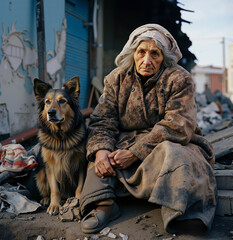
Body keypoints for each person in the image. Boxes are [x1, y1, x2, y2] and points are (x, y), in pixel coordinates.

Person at [80, 23, 217, 234]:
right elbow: (102, 120)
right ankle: (104, 205)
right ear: (133, 53)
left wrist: (135, 153)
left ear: (164, 57)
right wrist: (101, 151)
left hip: (167, 142)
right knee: (100, 159)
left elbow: (177, 125)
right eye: (141, 52)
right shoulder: (116, 79)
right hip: (125, 141)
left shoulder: (179, 79)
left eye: (155, 54)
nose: (147, 60)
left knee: (176, 156)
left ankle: (181, 211)